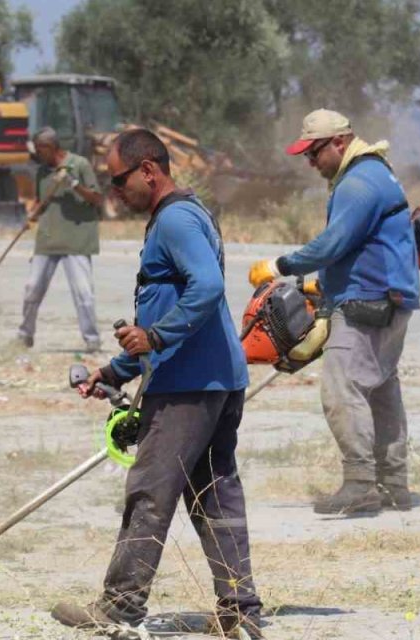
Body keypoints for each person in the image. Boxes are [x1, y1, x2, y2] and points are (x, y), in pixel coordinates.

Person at [52, 129, 263, 639]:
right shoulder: (186, 216)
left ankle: (120, 607)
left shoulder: (174, 220)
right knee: (214, 495)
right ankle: (240, 613)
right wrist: (114, 370)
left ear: (149, 170)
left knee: (149, 491)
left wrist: (153, 335)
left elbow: (207, 290)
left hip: (190, 388)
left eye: (118, 179)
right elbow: (170, 311)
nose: (114, 190)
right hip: (215, 379)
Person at [247, 109, 420, 514]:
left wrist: (280, 266)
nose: (310, 162)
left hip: (367, 300)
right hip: (392, 296)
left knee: (341, 390)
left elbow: (332, 244)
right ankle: (393, 484)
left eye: (314, 152)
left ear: (339, 142)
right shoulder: (376, 172)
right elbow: (361, 246)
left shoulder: (357, 183)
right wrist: (319, 284)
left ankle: (360, 483)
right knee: (380, 388)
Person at [17, 127, 104, 352]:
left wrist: (73, 184)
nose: (37, 154)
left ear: (50, 147)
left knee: (83, 293)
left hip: (77, 240)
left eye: (39, 149)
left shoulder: (80, 165)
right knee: (32, 288)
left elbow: (96, 199)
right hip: (47, 238)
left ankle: (92, 339)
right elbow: (41, 201)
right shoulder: (42, 172)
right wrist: (32, 215)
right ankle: (25, 335)